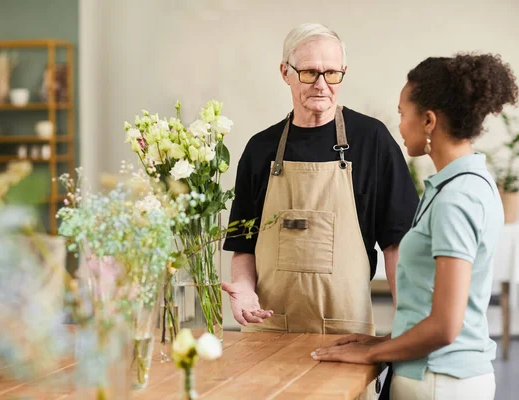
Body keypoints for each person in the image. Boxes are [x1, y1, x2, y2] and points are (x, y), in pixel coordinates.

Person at [221, 22, 419, 398]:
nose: (322, 84)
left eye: (332, 72)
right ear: (285, 73)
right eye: (310, 71)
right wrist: (245, 292)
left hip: (344, 337)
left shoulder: (372, 140)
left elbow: (396, 246)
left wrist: (408, 325)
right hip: (269, 332)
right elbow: (243, 246)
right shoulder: (260, 149)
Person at [310, 53, 518, 400]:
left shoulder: (457, 198)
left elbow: (445, 326)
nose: (400, 126)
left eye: (402, 114)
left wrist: (371, 355)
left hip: (437, 380)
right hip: (439, 375)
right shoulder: (468, 182)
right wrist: (384, 341)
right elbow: (436, 307)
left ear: (429, 121)